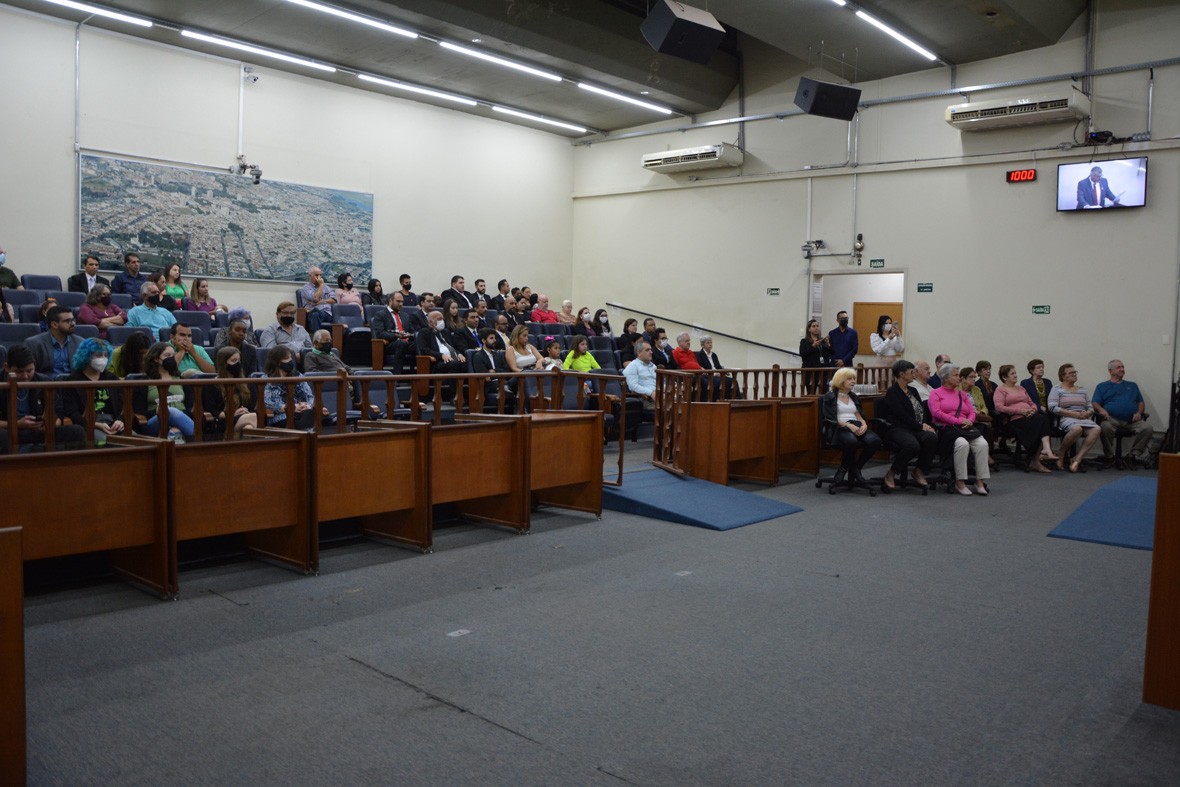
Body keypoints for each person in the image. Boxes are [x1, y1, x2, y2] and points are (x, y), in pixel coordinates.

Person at [0, 344, 86, 452]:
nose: (25, 376)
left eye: (29, 370)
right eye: (19, 372)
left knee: (76, 431)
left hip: (38, 432)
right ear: (6, 367)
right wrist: (17, 424)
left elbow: (58, 415)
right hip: (9, 431)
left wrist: (48, 423)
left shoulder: (43, 381)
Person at [928, 364, 990, 495]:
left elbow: (971, 412)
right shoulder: (935, 393)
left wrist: (970, 421)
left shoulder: (962, 394)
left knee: (983, 444)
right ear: (945, 378)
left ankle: (980, 481)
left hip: (965, 428)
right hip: (948, 430)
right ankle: (960, 481)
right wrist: (959, 421)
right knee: (962, 444)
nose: (959, 378)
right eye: (955, 375)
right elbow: (937, 413)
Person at [876, 359, 936, 490]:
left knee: (931, 437)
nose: (914, 374)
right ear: (902, 374)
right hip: (898, 428)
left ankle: (918, 470)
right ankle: (892, 472)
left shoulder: (913, 391)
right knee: (912, 445)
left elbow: (921, 410)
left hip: (915, 427)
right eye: (911, 372)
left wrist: (925, 424)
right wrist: (921, 427)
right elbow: (901, 415)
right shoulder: (893, 392)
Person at [820, 367, 883, 484]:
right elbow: (831, 418)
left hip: (856, 425)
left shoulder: (853, 396)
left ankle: (856, 468)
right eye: (849, 379)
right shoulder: (830, 396)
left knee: (875, 440)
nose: (853, 381)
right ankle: (843, 469)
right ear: (840, 380)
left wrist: (863, 424)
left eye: (853, 378)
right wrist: (849, 426)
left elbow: (858, 414)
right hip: (839, 428)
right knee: (851, 441)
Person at [992, 364, 1055, 471]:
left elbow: (1031, 402)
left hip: (1029, 416)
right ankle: (1036, 459)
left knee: (1043, 418)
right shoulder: (1000, 390)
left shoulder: (1021, 388)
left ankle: (1045, 450)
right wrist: (1020, 411)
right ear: (1004, 377)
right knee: (1039, 423)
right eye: (1012, 374)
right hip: (1014, 420)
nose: (1016, 375)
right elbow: (999, 407)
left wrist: (1033, 410)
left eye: (1015, 373)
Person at [61, 338, 124, 445]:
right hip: (88, 425)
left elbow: (122, 405)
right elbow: (72, 412)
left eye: (106, 355)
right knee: (106, 443)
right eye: (99, 355)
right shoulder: (72, 380)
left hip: (113, 423)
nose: (103, 359)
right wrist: (95, 424)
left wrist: (120, 420)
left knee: (138, 441)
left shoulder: (111, 378)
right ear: (86, 356)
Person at [1092, 359, 1153, 467]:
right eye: (1119, 367)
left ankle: (1132, 455)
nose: (1122, 369)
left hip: (1131, 420)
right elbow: (1095, 403)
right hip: (1111, 419)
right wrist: (1101, 410)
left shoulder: (1132, 385)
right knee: (1104, 427)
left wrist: (1139, 412)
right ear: (1110, 371)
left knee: (1147, 428)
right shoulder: (1102, 386)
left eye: (1123, 367)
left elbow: (1140, 403)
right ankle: (1110, 456)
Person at [134, 342, 196, 441]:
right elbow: (139, 410)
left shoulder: (181, 379)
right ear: (156, 358)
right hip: (155, 421)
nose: (171, 358)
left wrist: (176, 423)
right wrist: (157, 412)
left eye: (173, 356)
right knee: (169, 411)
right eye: (167, 355)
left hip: (181, 420)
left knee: (175, 433)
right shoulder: (144, 381)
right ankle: (198, 438)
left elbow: (190, 406)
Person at [1049, 363, 1101, 472]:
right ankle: (1061, 453)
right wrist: (1072, 414)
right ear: (1063, 376)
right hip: (1065, 418)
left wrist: (1088, 413)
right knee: (1077, 429)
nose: (1074, 374)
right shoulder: (1056, 389)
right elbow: (1052, 407)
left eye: (1075, 372)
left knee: (1096, 429)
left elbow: (1090, 407)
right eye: (1071, 373)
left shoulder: (1082, 390)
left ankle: (1077, 459)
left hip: (1083, 418)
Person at [263, 346, 325, 429]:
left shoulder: (298, 376)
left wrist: (307, 406)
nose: (291, 361)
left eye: (291, 358)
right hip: (280, 417)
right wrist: (289, 407)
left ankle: (306, 437)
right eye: (287, 358)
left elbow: (310, 396)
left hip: (301, 413)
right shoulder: (266, 379)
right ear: (277, 362)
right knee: (308, 420)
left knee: (309, 415)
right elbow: (267, 403)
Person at [202, 346, 257, 436]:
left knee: (248, 427)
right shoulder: (211, 385)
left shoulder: (247, 383)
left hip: (245, 418)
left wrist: (244, 411)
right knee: (252, 418)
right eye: (233, 361)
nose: (238, 364)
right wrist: (233, 413)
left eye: (239, 361)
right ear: (223, 364)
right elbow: (213, 411)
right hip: (223, 421)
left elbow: (251, 407)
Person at [414, 309, 467, 397]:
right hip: (437, 362)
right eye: (439, 319)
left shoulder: (445, 332)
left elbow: (453, 347)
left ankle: (470, 394)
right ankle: (454, 396)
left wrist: (459, 353)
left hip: (452, 358)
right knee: (454, 365)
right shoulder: (424, 332)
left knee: (467, 363)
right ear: (431, 322)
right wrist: (441, 355)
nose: (442, 321)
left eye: (442, 319)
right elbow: (425, 350)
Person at [27, 304, 82, 377]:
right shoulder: (34, 344)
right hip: (46, 386)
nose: (73, 324)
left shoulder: (80, 342)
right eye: (68, 321)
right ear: (54, 324)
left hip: (74, 385)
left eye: (73, 320)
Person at [960, 367, 996, 469]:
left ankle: (986, 455)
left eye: (974, 377)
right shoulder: (956, 390)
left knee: (988, 427)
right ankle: (983, 457)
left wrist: (981, 412)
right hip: (965, 417)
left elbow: (984, 406)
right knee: (982, 427)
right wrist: (971, 412)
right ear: (963, 379)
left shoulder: (976, 389)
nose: (973, 379)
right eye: (970, 377)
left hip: (978, 416)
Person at [370, 291, 413, 373]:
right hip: (390, 343)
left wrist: (410, 335)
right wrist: (397, 335)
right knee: (401, 343)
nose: (401, 304)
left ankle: (422, 377)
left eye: (402, 302)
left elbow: (412, 331)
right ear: (390, 301)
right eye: (398, 301)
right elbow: (380, 334)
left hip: (406, 341)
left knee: (420, 342)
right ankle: (396, 378)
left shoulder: (405, 315)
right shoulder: (380, 314)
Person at [299, 266, 335, 335]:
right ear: (310, 276)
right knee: (315, 314)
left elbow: (334, 300)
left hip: (327, 313)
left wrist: (321, 301)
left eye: (320, 275)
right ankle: (317, 341)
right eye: (316, 275)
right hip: (313, 313)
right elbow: (315, 298)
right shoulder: (306, 288)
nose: (319, 277)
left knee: (339, 318)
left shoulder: (326, 287)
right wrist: (321, 285)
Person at [623, 340, 657, 405]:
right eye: (647, 350)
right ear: (639, 353)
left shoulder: (653, 366)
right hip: (646, 399)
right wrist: (651, 393)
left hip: (660, 396)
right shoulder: (633, 366)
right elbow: (633, 386)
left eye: (651, 350)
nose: (651, 352)